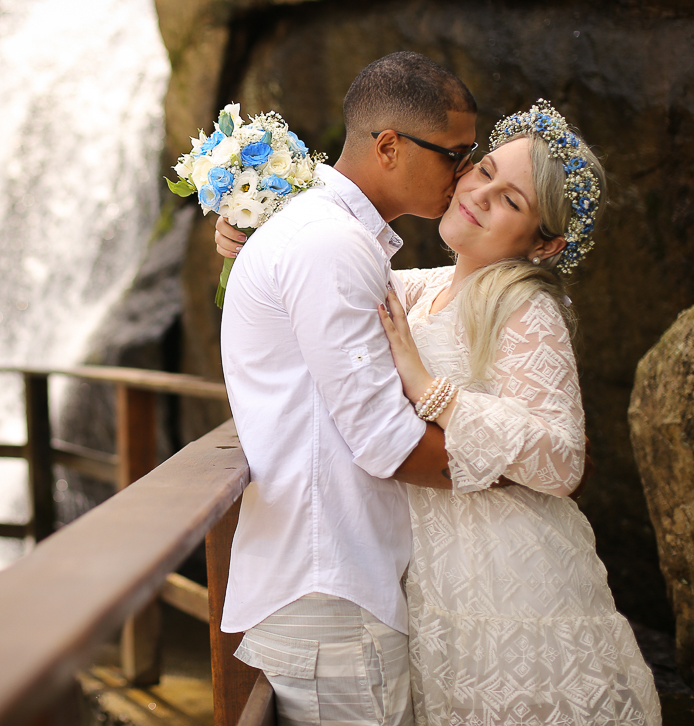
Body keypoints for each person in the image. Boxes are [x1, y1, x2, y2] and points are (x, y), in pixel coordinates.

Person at [215, 99, 662, 725]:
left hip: (509, 577)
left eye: (511, 201)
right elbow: (312, 282)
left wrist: (432, 389)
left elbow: (563, 460)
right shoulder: (418, 287)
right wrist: (248, 234)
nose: (479, 194)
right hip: (431, 579)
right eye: (483, 172)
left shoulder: (525, 306)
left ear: (545, 244)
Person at [216, 51, 478, 726]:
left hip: (330, 584)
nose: (467, 173)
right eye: (456, 154)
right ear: (389, 146)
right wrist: (516, 468)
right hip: (330, 591)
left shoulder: (326, 237)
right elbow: (384, 442)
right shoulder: (329, 244)